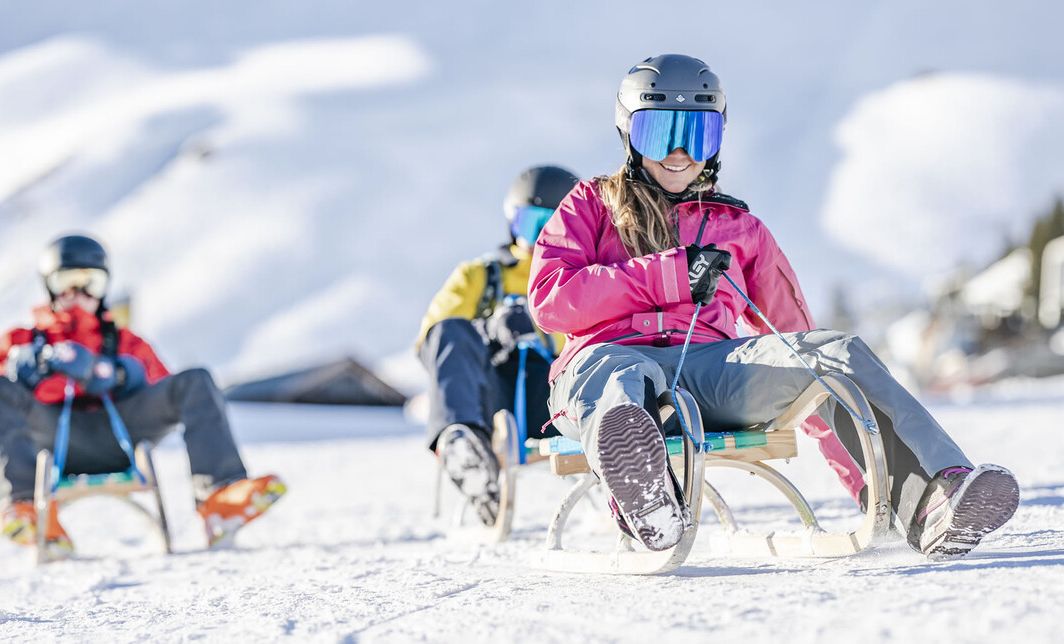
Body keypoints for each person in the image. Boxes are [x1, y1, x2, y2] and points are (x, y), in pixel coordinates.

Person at [527, 54, 1020, 559]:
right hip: (603, 364)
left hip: (707, 375)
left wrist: (861, 487)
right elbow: (549, 299)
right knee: (618, 375)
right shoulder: (591, 203)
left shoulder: (740, 229)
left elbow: (794, 343)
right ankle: (644, 496)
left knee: (834, 354)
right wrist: (667, 275)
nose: (679, 153)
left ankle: (928, 498)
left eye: (697, 135)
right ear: (629, 135)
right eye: (659, 134)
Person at [0, 234, 285, 557]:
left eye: (90, 282)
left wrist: (120, 373)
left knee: (195, 380)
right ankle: (28, 511)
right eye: (67, 281)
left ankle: (222, 501)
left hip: (121, 437)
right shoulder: (21, 339)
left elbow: (160, 381)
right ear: (49, 286)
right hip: (54, 442)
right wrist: (31, 362)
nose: (78, 293)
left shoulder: (125, 341)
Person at [416, 166, 578, 524]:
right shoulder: (480, 277)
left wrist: (543, 336)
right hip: (492, 401)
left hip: (558, 401)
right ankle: (466, 447)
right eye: (529, 224)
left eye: (552, 227)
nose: (537, 239)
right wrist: (489, 330)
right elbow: (434, 341)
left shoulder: (583, 280)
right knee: (450, 329)